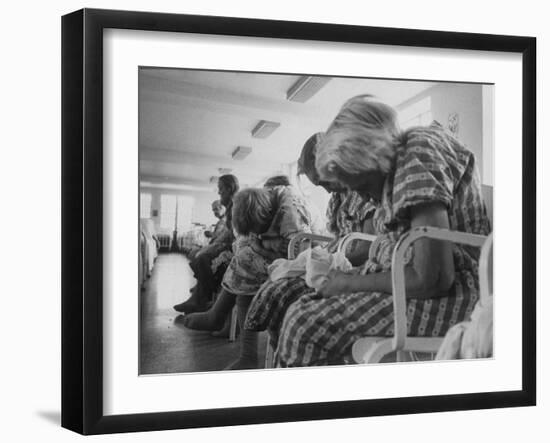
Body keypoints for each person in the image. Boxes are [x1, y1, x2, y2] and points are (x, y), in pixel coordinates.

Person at [272, 95, 491, 367]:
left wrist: (348, 283)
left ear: (373, 156)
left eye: (363, 187)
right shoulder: (403, 159)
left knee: (304, 324)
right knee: (302, 305)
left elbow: (432, 278)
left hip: (461, 294)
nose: (365, 199)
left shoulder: (417, 155)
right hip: (439, 285)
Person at [244, 133, 375, 352]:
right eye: (319, 184)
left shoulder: (363, 191)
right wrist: (320, 258)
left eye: (325, 181)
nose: (326, 190)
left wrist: (328, 258)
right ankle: (280, 351)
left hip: (355, 268)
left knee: (291, 297)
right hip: (337, 261)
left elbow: (368, 246)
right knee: (276, 285)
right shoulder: (336, 200)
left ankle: (293, 351)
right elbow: (334, 239)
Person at [182, 184, 315, 370]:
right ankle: (227, 328)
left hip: (304, 260)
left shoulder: (291, 217)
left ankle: (224, 324)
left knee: (246, 261)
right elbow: (249, 238)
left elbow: (300, 258)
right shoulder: (265, 202)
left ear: (264, 215)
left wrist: (260, 247)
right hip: (280, 251)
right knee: (243, 254)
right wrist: (259, 243)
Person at [173, 174, 239, 314]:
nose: (219, 192)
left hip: (235, 247)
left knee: (202, 258)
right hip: (228, 243)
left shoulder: (236, 206)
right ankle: (198, 298)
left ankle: (202, 299)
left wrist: (214, 246)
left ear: (229, 188)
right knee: (200, 256)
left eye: (221, 188)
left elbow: (233, 234)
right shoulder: (231, 207)